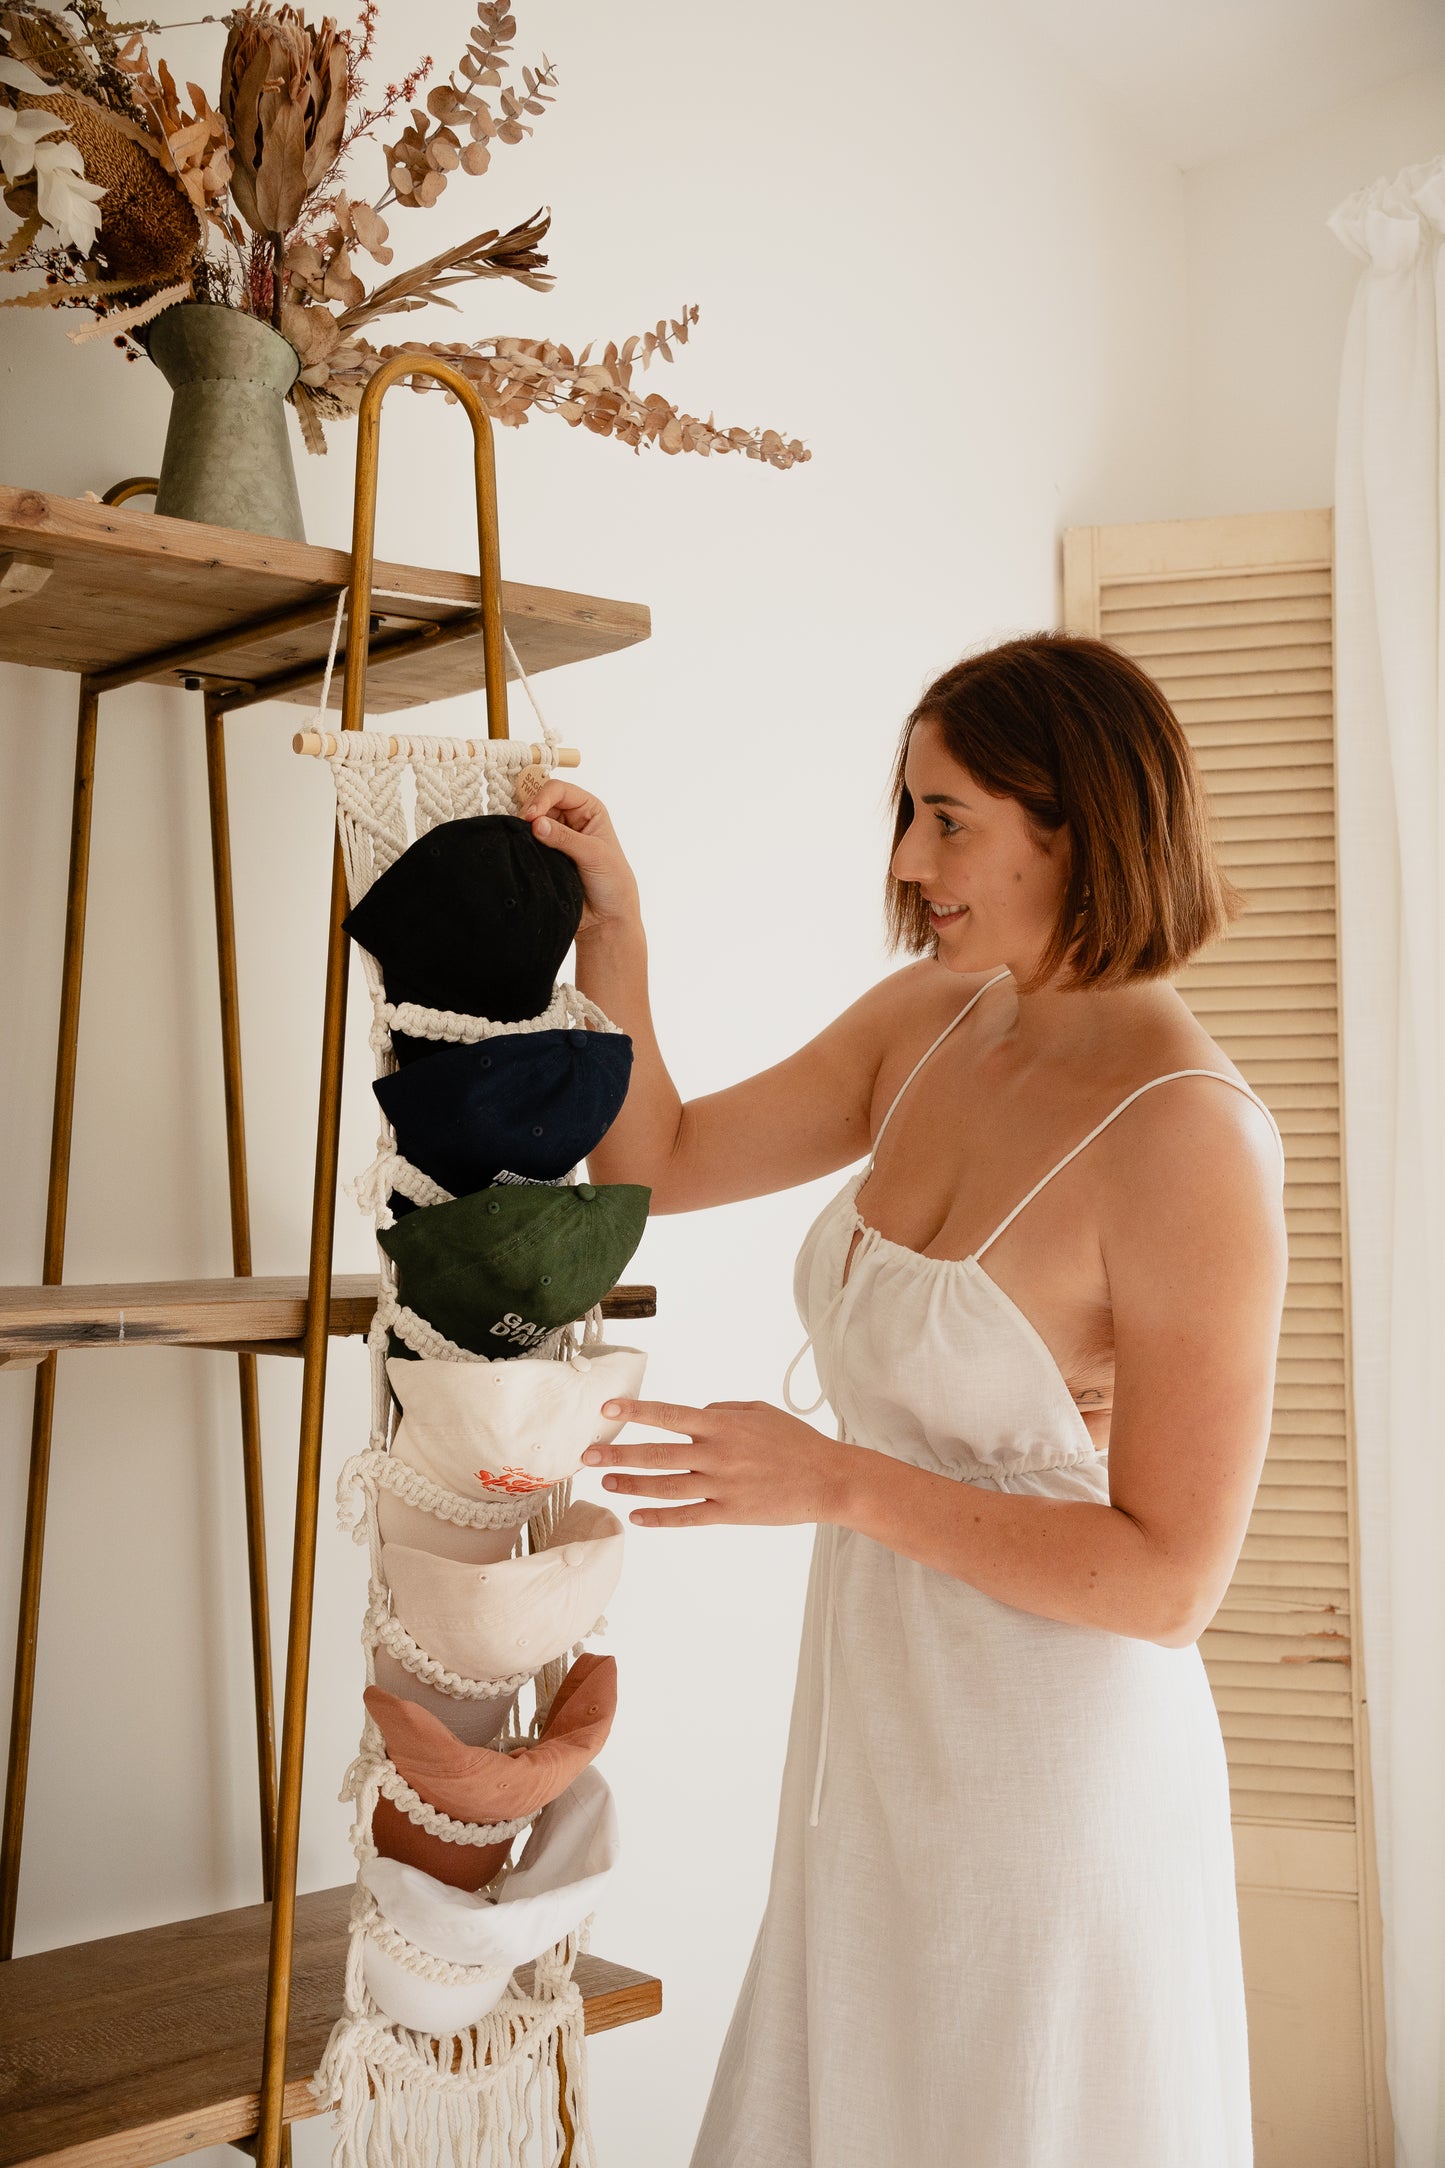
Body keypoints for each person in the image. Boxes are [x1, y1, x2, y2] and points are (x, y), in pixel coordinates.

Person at [520, 631, 1287, 2168]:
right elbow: (652, 1167)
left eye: (951, 820)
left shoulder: (1187, 1134)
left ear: (1083, 827)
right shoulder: (925, 1023)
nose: (907, 859)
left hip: (1058, 1756)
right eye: (907, 810)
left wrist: (837, 1482)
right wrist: (618, 933)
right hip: (883, 1719)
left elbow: (1168, 1583)